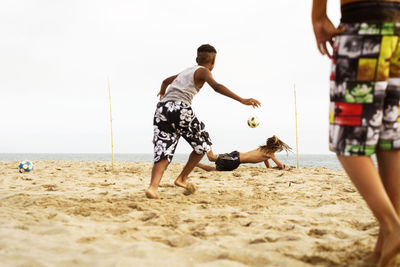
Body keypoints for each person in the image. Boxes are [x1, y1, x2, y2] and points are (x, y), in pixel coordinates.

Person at [312, 0, 400, 266]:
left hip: (364, 22)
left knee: (346, 142)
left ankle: (393, 227)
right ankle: (382, 248)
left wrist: (318, 15)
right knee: (389, 140)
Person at [145, 44, 261, 199]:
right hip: (180, 108)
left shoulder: (186, 71)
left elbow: (166, 81)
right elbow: (217, 87)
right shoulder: (204, 71)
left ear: (196, 59)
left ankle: (153, 188)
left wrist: (162, 93)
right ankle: (181, 179)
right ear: (213, 63)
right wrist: (241, 99)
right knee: (203, 145)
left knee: (163, 149)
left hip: (162, 110)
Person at [196, 135, 291, 172]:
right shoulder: (269, 154)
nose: (277, 151)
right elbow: (281, 165)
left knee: (215, 170)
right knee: (211, 158)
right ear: (273, 148)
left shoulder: (264, 151)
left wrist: (273, 168)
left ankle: (197, 164)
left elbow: (268, 167)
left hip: (235, 162)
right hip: (235, 158)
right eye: (277, 149)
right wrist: (282, 167)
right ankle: (205, 141)